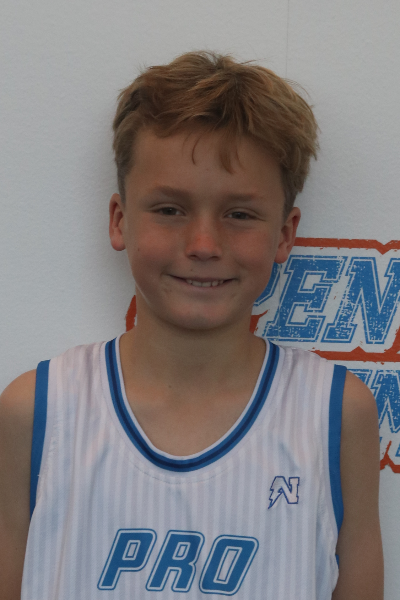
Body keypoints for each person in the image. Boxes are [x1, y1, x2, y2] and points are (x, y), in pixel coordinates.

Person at [0, 51, 383, 599]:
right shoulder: (38, 412)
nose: (204, 244)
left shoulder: (337, 412)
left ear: (284, 233)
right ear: (119, 220)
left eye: (239, 214)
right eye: (170, 209)